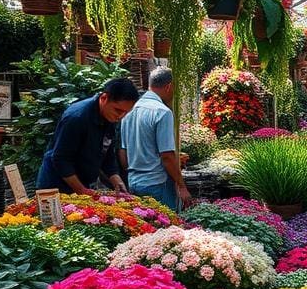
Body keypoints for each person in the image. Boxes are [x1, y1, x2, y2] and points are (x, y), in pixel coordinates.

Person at [36, 77, 138, 195]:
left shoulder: (109, 116)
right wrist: (82, 191)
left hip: (81, 184)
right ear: (104, 98)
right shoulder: (76, 117)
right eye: (118, 110)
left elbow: (107, 152)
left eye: (126, 112)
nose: (121, 116)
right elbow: (61, 159)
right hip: (55, 187)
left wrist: (116, 179)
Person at [118, 68, 192, 211]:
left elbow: (123, 151)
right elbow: (167, 156)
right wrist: (182, 187)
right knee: (166, 230)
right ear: (169, 86)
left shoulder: (129, 111)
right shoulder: (162, 112)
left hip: (134, 182)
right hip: (158, 184)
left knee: (143, 229)